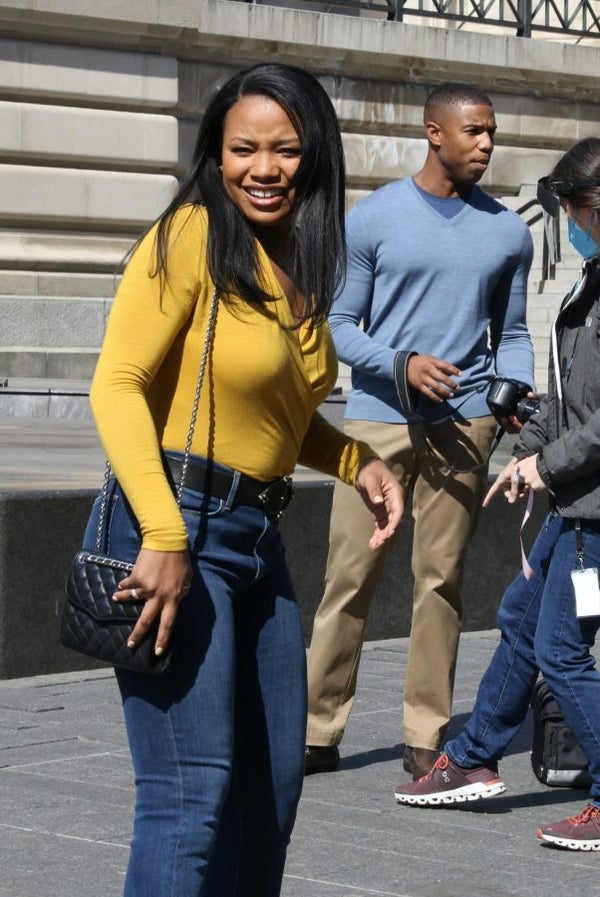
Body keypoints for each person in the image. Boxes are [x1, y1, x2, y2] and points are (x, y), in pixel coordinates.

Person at [85, 63, 404, 897]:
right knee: (189, 796)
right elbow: (116, 384)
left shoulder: (298, 258)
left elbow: (282, 416)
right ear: (216, 154)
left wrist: (357, 461)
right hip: (173, 522)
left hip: (256, 541)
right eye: (243, 149)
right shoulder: (192, 233)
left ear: (315, 155)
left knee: (271, 793)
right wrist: (164, 535)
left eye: (285, 149)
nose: (263, 169)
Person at [305, 82, 534, 779]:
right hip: (378, 418)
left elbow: (512, 332)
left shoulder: (509, 232)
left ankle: (425, 730)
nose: (486, 144)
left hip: (465, 423)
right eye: (474, 131)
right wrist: (400, 364)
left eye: (491, 132)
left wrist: (511, 389)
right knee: (350, 575)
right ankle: (317, 728)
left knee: (441, 580)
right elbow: (339, 325)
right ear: (434, 132)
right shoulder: (375, 217)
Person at [394, 137, 600, 850]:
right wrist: (529, 450)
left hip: (594, 510)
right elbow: (572, 400)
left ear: (592, 209)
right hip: (577, 499)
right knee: (520, 616)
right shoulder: (591, 282)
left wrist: (550, 466)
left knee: (562, 650)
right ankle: (474, 757)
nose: (568, 227)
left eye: (571, 212)